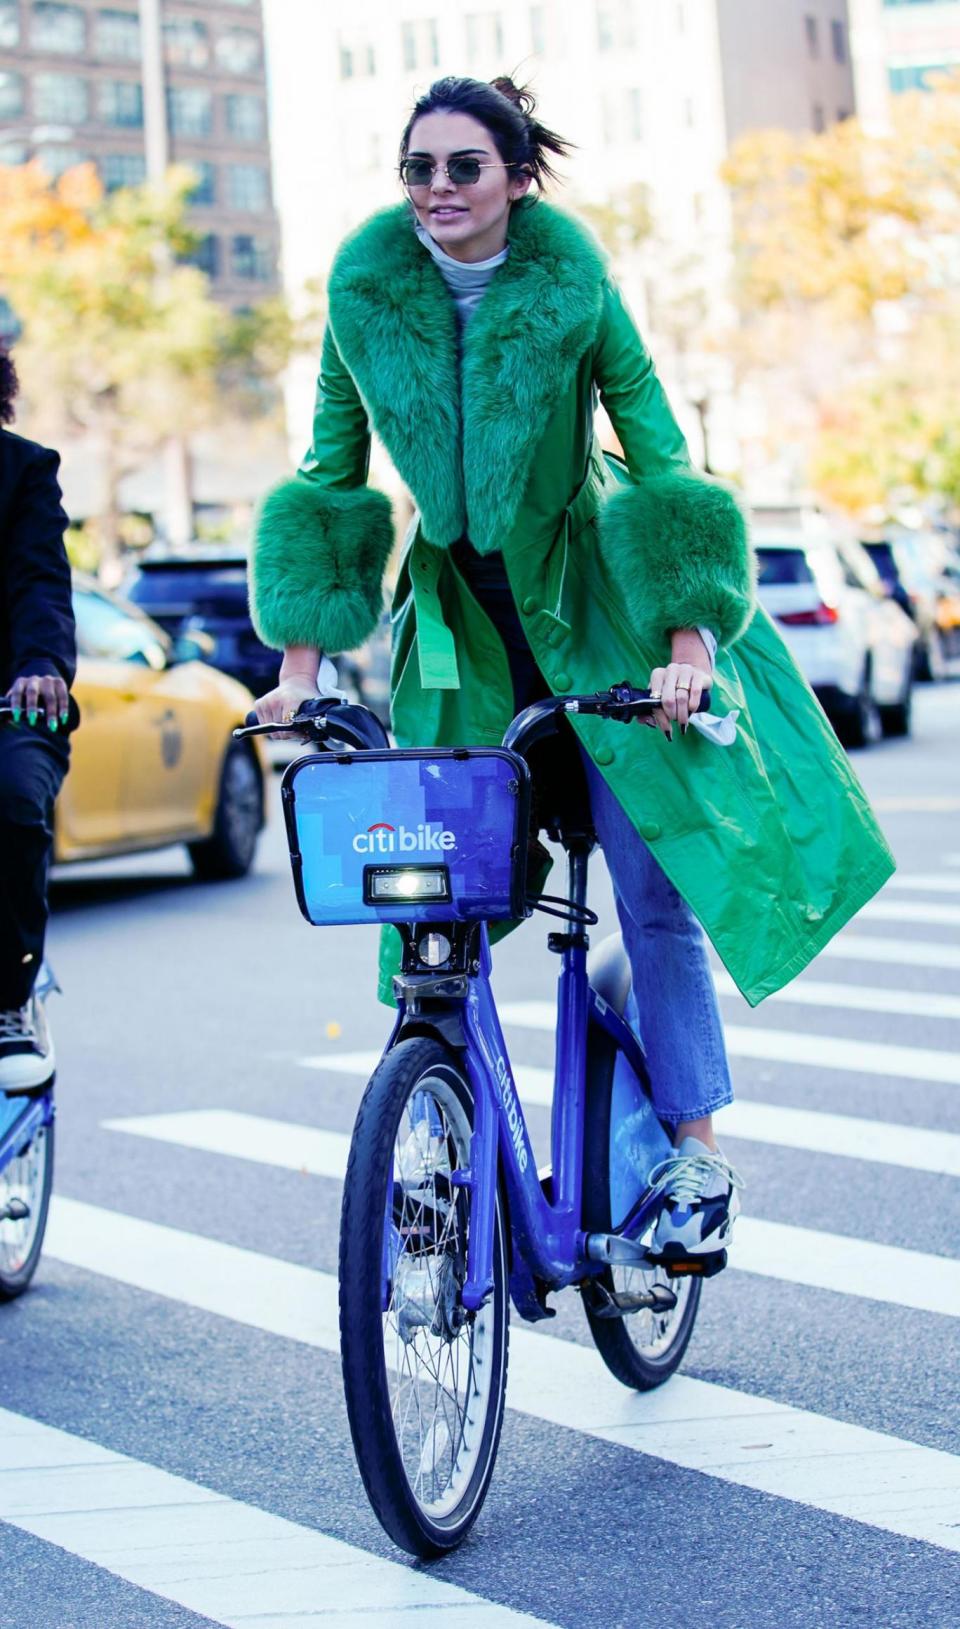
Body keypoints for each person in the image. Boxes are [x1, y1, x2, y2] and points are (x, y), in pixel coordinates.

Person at [249, 77, 893, 1264]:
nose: (436, 189)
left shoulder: (574, 286)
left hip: (599, 617)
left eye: (462, 167)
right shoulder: (364, 295)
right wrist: (298, 668)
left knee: (652, 891)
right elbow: (330, 479)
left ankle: (695, 1161)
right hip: (462, 641)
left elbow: (658, 458)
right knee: (431, 911)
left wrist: (688, 645)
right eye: (417, 169)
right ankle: (439, 1145)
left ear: (515, 178)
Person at [0, 342, 76, 1091]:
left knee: (15, 800)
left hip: (13, 700)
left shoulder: (22, 470)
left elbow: (41, 585)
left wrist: (41, 665)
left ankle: (10, 999)